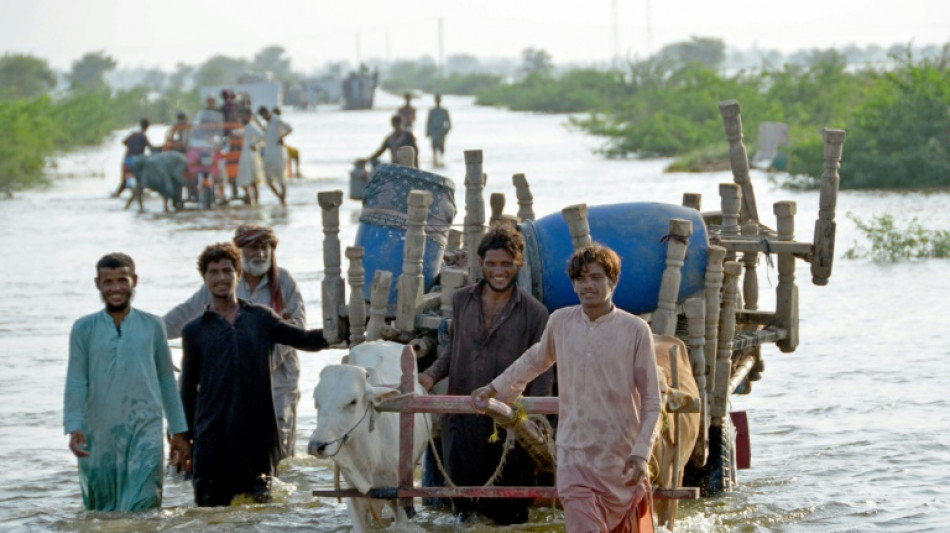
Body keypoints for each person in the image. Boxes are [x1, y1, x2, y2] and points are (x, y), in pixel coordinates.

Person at [472, 243, 662, 533]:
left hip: (620, 457)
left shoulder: (635, 330)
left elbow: (651, 400)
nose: (588, 285)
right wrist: (495, 388)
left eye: (596, 277)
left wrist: (641, 451)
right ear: (573, 284)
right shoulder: (561, 321)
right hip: (574, 454)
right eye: (581, 279)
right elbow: (536, 359)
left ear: (613, 281)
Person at [419, 225, 551, 525]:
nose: (498, 271)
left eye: (506, 264)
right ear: (480, 264)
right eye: (491, 264)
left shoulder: (536, 313)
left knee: (510, 516)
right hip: (462, 420)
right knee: (463, 514)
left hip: (508, 428)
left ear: (520, 264)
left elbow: (542, 368)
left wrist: (537, 420)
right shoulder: (462, 300)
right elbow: (454, 351)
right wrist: (429, 375)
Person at [179, 242, 329, 507]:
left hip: (257, 436)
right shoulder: (195, 331)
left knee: (262, 510)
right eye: (213, 272)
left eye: (227, 270)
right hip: (213, 439)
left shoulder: (260, 318)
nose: (221, 278)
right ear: (205, 279)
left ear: (238, 274)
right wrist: (182, 438)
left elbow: (305, 339)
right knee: (211, 512)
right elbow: (188, 389)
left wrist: (341, 331)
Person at [164, 224, 306, 462]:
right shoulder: (224, 281)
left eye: (264, 247)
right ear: (239, 252)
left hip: (278, 380)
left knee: (279, 449)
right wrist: (148, 334)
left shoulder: (284, 282)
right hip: (230, 383)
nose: (259, 253)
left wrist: (258, 362)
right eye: (252, 248)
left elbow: (297, 329)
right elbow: (182, 316)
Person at [63, 253, 191, 512]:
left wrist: (178, 431)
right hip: (98, 431)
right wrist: (74, 426)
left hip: (146, 428)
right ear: (97, 284)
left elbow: (166, 378)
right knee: (103, 509)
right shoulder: (83, 328)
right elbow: (77, 379)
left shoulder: (153, 325)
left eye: (122, 280)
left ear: (134, 280)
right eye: (108, 282)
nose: (115, 288)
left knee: (144, 505)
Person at [257, 106, 292, 206]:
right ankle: (280, 198)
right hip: (268, 154)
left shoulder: (276, 119)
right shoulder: (267, 124)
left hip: (277, 153)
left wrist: (281, 137)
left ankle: (282, 200)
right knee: (268, 180)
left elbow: (289, 128)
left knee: (281, 178)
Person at [113, 119, 153, 197]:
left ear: (140, 125)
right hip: (136, 161)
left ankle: (118, 194)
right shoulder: (144, 136)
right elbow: (151, 148)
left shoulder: (134, 134)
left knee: (124, 181)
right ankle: (137, 195)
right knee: (138, 179)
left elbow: (123, 142)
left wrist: (131, 146)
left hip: (128, 159)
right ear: (148, 127)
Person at [236, 109, 264, 205]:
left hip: (249, 156)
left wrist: (253, 144)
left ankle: (254, 201)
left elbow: (261, 135)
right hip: (247, 155)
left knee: (252, 181)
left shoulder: (251, 126)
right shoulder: (248, 127)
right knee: (247, 181)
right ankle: (251, 200)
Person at [272, 107, 301, 178]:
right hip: (278, 148)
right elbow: (290, 129)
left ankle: (296, 171)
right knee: (295, 153)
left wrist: (281, 136)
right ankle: (296, 172)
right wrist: (281, 137)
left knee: (295, 152)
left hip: (281, 147)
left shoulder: (275, 123)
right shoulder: (277, 122)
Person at [425, 94, 452, 167]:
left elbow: (448, 122)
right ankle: (435, 160)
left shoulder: (444, 111)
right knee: (434, 146)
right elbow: (429, 122)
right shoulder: (432, 111)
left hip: (441, 131)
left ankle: (442, 160)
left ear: (440, 100)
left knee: (441, 146)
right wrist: (427, 132)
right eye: (436, 99)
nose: (437, 101)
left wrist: (447, 130)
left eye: (438, 99)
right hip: (434, 131)